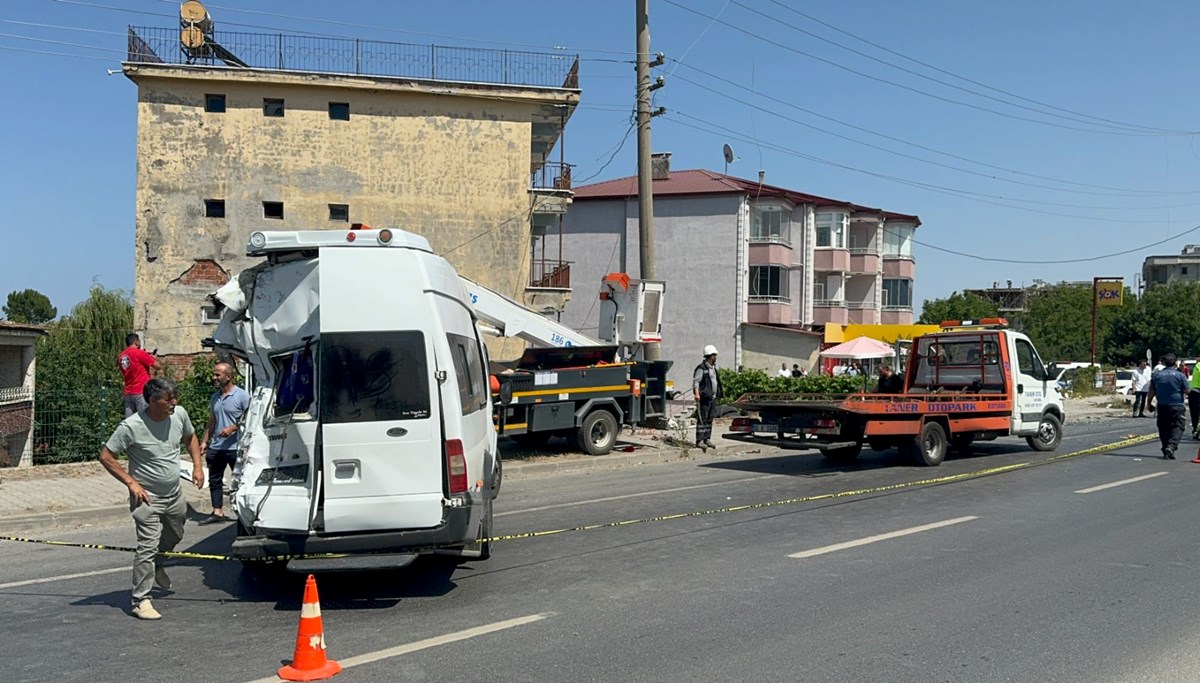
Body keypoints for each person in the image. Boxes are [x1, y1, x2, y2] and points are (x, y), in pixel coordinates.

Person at [98, 378, 203, 620]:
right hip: (147, 498)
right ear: (152, 401)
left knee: (176, 534)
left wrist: (198, 467)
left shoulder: (179, 415)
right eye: (169, 399)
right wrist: (131, 483)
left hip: (174, 493)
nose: (174, 402)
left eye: (175, 397)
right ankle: (141, 600)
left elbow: (191, 438)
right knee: (147, 546)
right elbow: (106, 456)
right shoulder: (131, 426)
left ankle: (158, 563)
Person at [199, 362, 250, 523]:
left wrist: (233, 428)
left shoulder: (242, 396)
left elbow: (250, 419)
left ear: (229, 376)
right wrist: (205, 441)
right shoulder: (215, 397)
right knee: (215, 479)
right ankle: (217, 512)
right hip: (216, 446)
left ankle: (243, 513)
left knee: (240, 480)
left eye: (218, 375)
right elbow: (212, 420)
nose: (214, 377)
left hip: (235, 446)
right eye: (214, 374)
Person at [1148, 354, 1189, 460]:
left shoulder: (1156, 375)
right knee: (1178, 426)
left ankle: (1165, 447)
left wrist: (1148, 404)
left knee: (1163, 427)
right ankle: (1171, 446)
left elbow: (1151, 391)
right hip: (1177, 406)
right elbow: (1187, 390)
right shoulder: (1180, 375)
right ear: (1175, 363)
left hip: (1162, 405)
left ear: (1163, 363)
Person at [118, 333, 157, 417]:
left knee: (130, 422)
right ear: (136, 342)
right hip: (140, 392)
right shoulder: (140, 353)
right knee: (144, 420)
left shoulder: (121, 356)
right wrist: (152, 358)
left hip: (128, 393)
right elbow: (157, 366)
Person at [692, 345, 723, 452]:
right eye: (714, 355)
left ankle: (707, 439)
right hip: (704, 398)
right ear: (710, 356)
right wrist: (697, 394)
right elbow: (696, 382)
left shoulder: (713, 368)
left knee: (710, 419)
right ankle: (699, 440)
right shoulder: (701, 368)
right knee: (702, 419)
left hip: (712, 398)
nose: (716, 357)